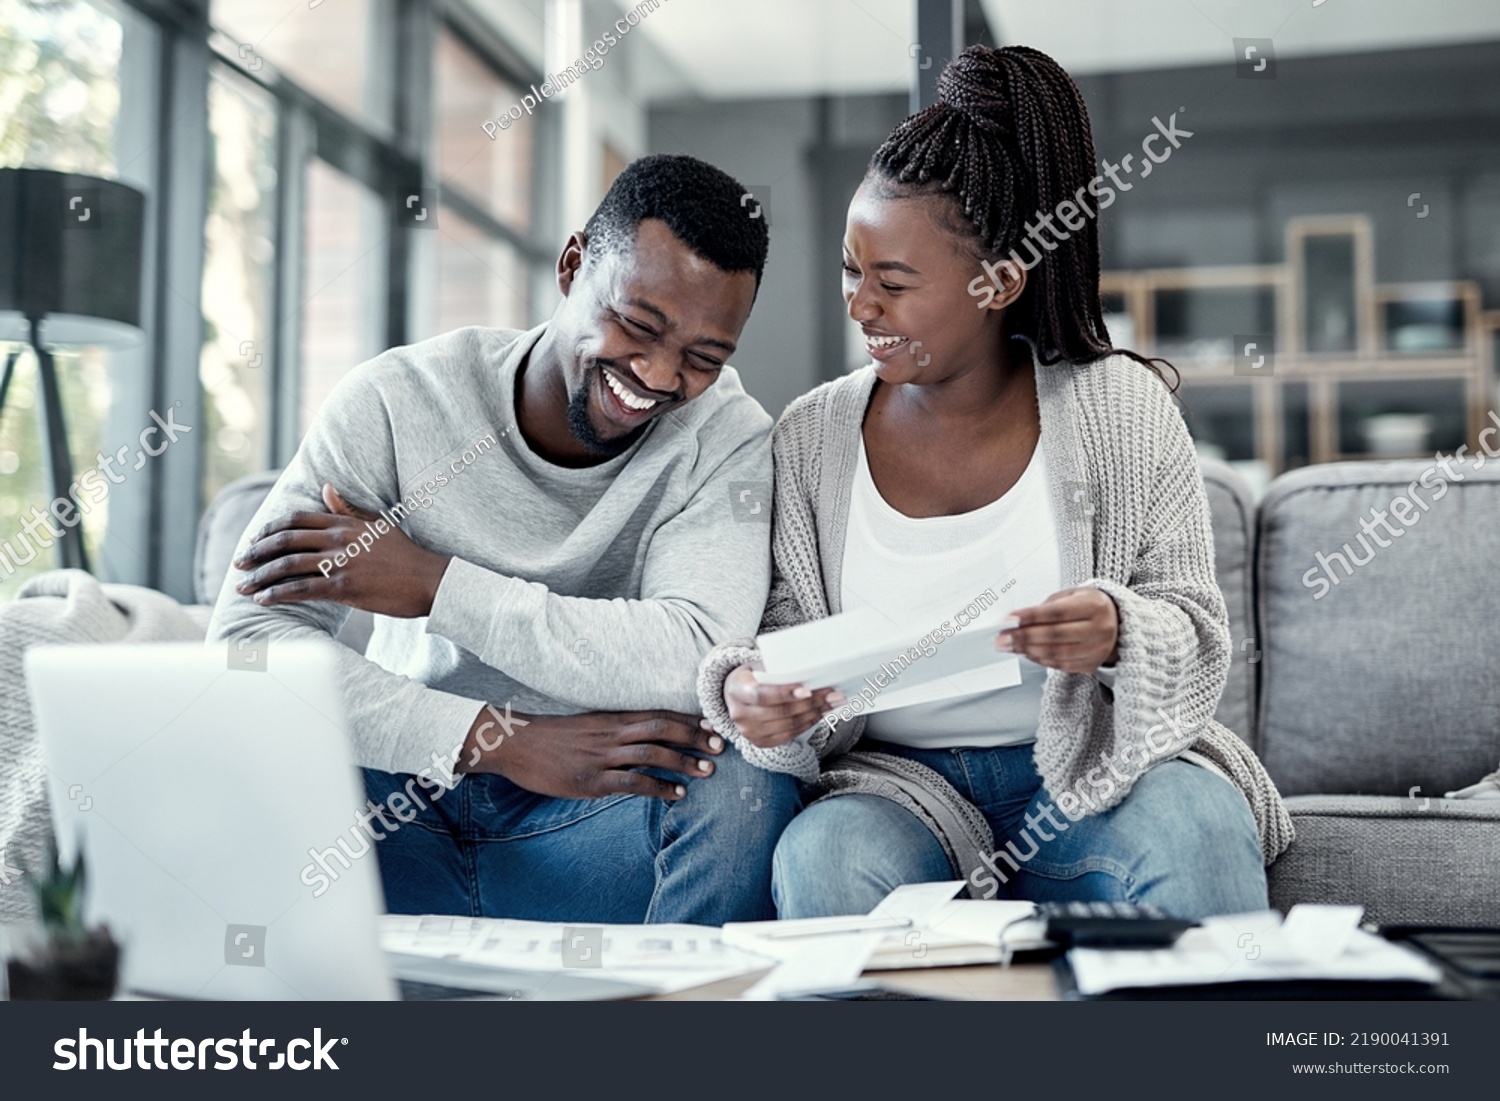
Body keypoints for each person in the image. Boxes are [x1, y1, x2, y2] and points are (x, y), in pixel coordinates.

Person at [697, 46, 1293, 921]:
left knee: (1194, 826)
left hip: (1095, 769)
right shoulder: (812, 435)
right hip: (897, 787)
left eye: (893, 283)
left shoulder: (1122, 409)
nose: (860, 305)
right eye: (850, 270)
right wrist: (757, 699)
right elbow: (781, 640)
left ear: (1001, 280)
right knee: (823, 853)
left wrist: (1119, 629)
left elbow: (1199, 633)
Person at [209, 154, 799, 923]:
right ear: (572, 265)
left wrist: (433, 584)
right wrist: (497, 739)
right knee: (234, 744)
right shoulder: (397, 401)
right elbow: (248, 643)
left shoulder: (725, 438)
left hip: (586, 832)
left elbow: (695, 654)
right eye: (637, 324)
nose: (656, 375)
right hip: (399, 807)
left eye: (702, 358)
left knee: (746, 783)